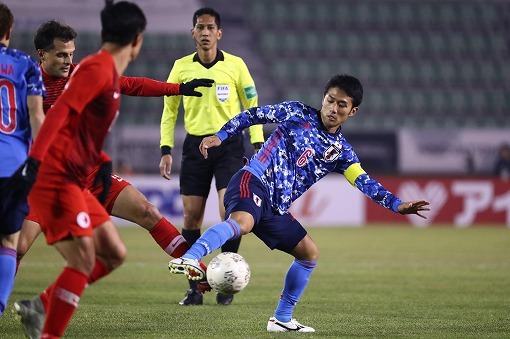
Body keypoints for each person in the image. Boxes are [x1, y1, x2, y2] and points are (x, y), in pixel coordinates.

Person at [168, 74, 431, 332]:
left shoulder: (341, 152)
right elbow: (252, 115)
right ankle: (191, 257)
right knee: (243, 223)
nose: (333, 108)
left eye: (342, 105)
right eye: (330, 100)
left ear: (353, 111)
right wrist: (221, 136)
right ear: (323, 98)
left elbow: (364, 181)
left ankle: (281, 318)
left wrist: (397, 205)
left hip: (275, 207)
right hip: (253, 179)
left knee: (309, 253)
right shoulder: (296, 112)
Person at [12, 18, 213, 338]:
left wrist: (178, 88)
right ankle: (28, 307)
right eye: (61, 55)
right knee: (19, 247)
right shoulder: (28, 84)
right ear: (42, 55)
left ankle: (198, 272)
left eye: (71, 54)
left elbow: (131, 84)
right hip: (47, 180)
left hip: (89, 173)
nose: (68, 61)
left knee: (147, 212)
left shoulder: (81, 74)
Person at [159, 7, 264, 306]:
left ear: (219, 33)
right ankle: (195, 287)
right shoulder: (180, 67)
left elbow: (252, 106)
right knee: (191, 216)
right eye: (199, 27)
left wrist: (257, 143)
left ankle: (226, 282)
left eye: (210, 28)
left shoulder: (236, 65)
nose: (205, 32)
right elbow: (169, 112)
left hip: (229, 145)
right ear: (192, 32)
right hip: (194, 148)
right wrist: (165, 149)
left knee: (228, 212)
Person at [0, 2, 45, 318]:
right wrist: (39, 161)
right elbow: (37, 117)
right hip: (14, 164)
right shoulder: (25, 65)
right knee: (8, 238)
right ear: (9, 31)